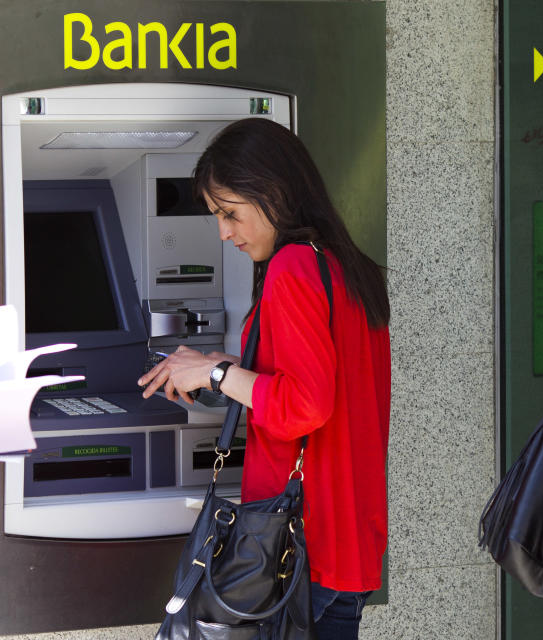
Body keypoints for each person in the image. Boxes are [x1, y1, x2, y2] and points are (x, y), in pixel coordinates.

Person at [138, 118, 390, 639]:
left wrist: (214, 370)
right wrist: (219, 365)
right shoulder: (345, 267)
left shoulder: (293, 268)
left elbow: (306, 406)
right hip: (348, 545)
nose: (225, 232)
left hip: (298, 553)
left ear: (273, 190)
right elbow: (322, 385)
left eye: (230, 213)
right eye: (217, 217)